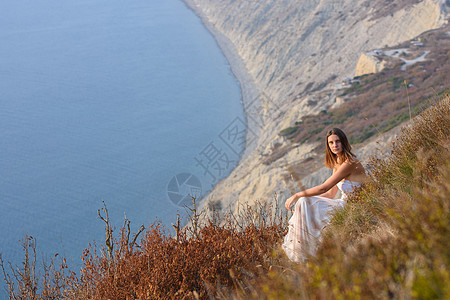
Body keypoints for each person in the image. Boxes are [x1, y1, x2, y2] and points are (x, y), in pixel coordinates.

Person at [282, 128, 366, 262]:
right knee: (304, 204)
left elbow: (324, 187)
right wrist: (306, 204)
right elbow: (330, 193)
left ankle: (307, 254)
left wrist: (297, 195)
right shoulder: (338, 162)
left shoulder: (349, 162)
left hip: (355, 205)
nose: (335, 145)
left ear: (343, 142)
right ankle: (304, 253)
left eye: (338, 141)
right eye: (331, 143)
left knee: (302, 201)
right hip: (343, 203)